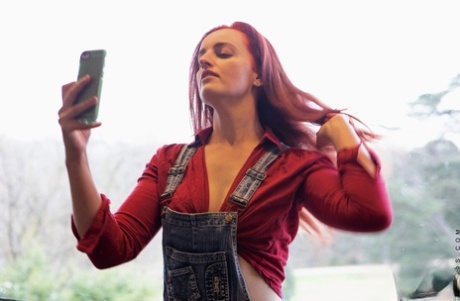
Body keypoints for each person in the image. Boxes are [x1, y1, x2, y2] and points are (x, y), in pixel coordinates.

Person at [58, 21, 393, 301]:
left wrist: (343, 133)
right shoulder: (169, 162)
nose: (205, 61)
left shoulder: (295, 165)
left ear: (258, 76)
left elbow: (370, 213)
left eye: (223, 53)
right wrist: (76, 155)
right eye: (201, 56)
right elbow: (109, 249)